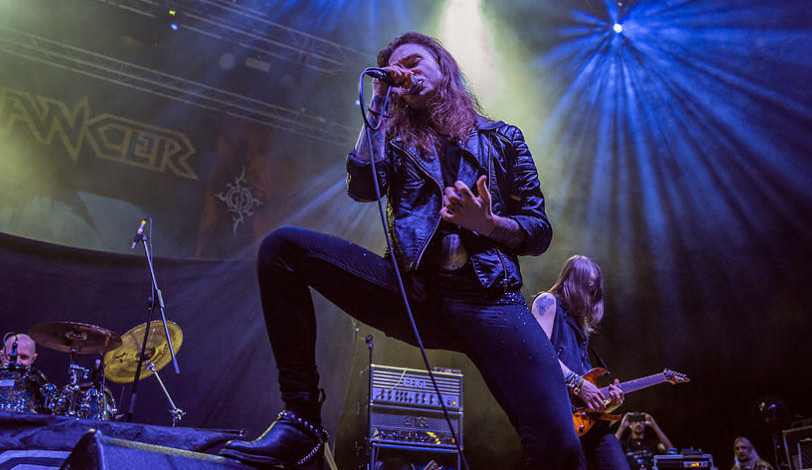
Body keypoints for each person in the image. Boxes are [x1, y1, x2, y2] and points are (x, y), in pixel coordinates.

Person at [220, 32, 583, 469]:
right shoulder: (394, 138)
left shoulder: (503, 138)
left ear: (443, 67)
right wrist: (378, 102)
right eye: (398, 68)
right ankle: (302, 424)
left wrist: (487, 224)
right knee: (283, 248)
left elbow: (538, 231)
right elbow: (361, 185)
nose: (405, 73)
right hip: (414, 291)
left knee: (559, 449)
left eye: (414, 62)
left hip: (490, 299)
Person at [531, 255, 630, 470]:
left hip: (588, 421)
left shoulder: (579, 324)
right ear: (574, 282)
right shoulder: (547, 302)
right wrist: (578, 383)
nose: (592, 295)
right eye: (589, 287)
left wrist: (607, 403)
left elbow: (585, 383)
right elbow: (538, 354)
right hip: (559, 417)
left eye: (595, 290)